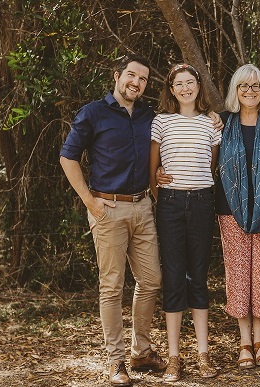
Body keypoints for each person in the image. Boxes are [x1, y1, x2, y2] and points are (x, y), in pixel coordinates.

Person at [59, 55, 166, 386]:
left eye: (143, 79)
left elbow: (175, 131)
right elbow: (68, 157)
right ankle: (116, 361)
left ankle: (141, 352)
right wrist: (91, 202)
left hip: (143, 207)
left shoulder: (149, 115)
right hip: (108, 209)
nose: (136, 82)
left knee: (151, 281)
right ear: (117, 76)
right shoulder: (94, 112)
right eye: (131, 75)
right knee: (112, 286)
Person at [149, 63, 221, 382]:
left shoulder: (211, 124)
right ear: (172, 89)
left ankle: (204, 355)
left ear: (198, 86)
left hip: (203, 202)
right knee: (175, 276)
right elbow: (154, 171)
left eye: (190, 82)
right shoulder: (160, 122)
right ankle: (174, 357)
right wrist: (159, 188)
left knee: (199, 277)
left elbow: (211, 166)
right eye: (179, 83)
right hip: (171, 204)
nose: (185, 88)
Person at [216, 64, 260, 370]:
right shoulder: (222, 122)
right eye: (243, 86)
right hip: (230, 209)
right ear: (235, 90)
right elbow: (211, 165)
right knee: (238, 275)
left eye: (256, 86)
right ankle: (244, 342)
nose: (249, 91)